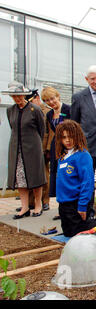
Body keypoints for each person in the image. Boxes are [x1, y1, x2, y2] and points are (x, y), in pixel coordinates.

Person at [1, 82, 46, 219]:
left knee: (35, 177)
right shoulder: (11, 111)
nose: (17, 99)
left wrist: (37, 144)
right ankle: (24, 207)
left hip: (32, 148)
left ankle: (38, 205)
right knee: (20, 179)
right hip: (16, 150)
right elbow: (13, 127)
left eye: (19, 95)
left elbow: (41, 129)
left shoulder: (35, 110)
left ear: (24, 95)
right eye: (14, 96)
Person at [55, 120, 96, 237]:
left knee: (81, 234)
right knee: (68, 233)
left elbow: (87, 183)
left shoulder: (83, 155)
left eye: (71, 136)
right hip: (64, 205)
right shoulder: (63, 157)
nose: (67, 140)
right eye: (64, 137)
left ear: (78, 136)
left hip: (77, 204)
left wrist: (82, 206)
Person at [41, 86, 71, 220]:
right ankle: (61, 208)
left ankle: (70, 208)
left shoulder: (68, 109)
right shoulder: (49, 114)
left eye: (52, 98)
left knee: (67, 176)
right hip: (56, 147)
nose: (51, 102)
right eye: (47, 100)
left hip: (68, 146)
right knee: (57, 177)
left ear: (58, 96)